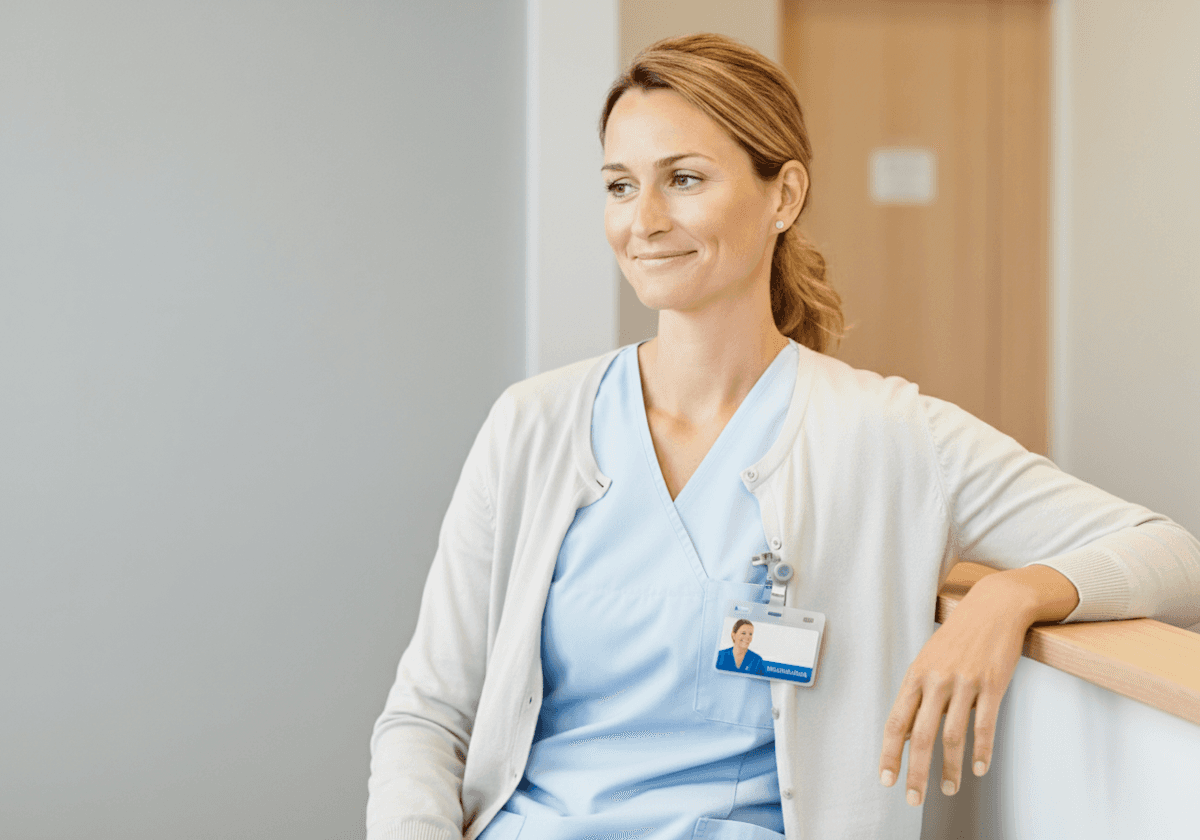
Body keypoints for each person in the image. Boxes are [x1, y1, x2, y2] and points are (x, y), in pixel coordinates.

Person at [367, 33, 1200, 840]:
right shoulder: (534, 426)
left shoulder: (890, 437)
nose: (644, 220)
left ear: (785, 195)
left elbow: (1167, 553)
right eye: (620, 186)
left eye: (684, 179)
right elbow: (426, 716)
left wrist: (1010, 596)